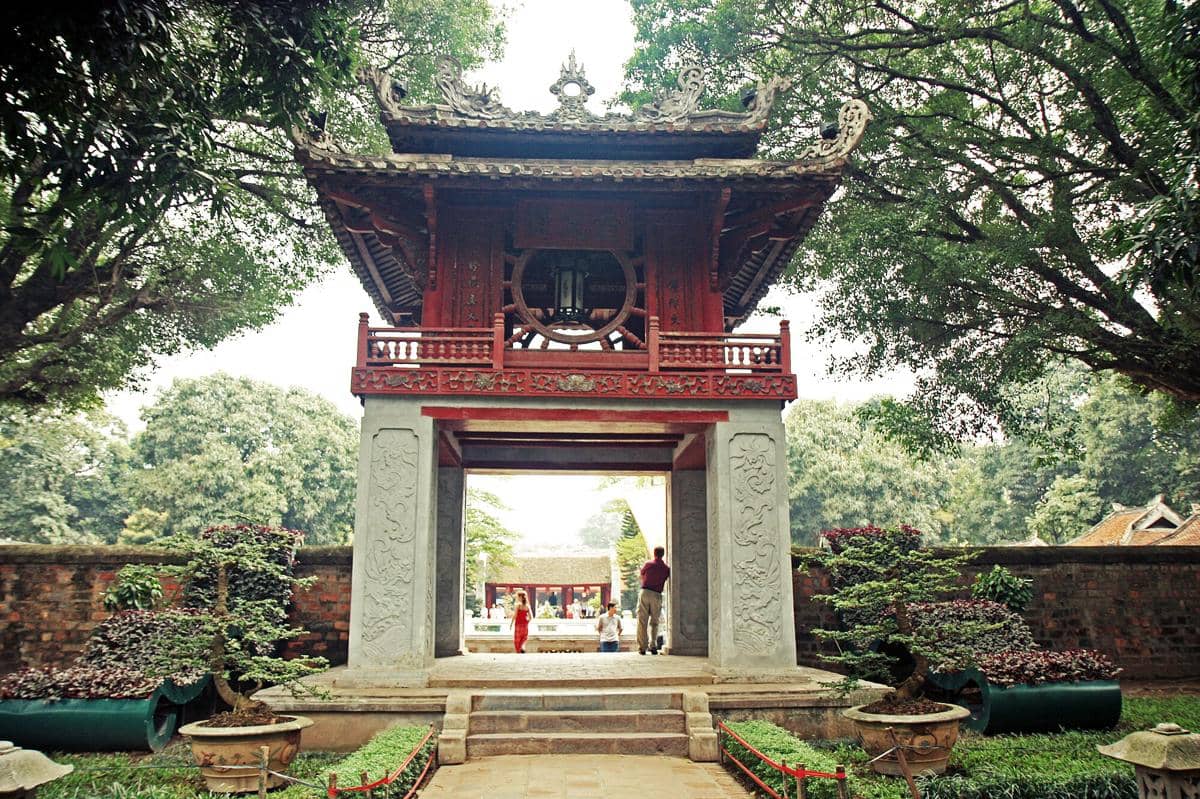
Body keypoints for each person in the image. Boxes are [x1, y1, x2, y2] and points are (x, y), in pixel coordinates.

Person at [636, 545, 670, 655]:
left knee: (642, 621)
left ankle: (642, 647)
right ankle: (653, 645)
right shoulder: (666, 568)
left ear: (654, 553)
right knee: (655, 622)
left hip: (645, 592)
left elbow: (642, 574)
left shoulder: (648, 564)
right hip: (657, 594)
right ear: (663, 554)